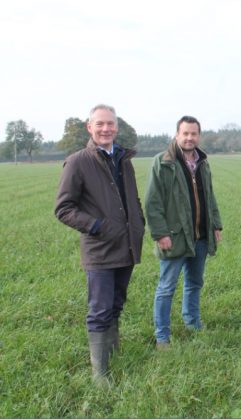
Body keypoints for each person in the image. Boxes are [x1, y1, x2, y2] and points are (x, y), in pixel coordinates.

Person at [55, 104, 145, 385]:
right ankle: (99, 374)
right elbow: (63, 208)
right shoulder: (78, 162)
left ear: (116, 127)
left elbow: (132, 199)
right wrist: (96, 226)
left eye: (111, 124)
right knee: (100, 310)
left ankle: (113, 352)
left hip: (127, 246)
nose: (106, 129)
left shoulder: (123, 159)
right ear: (89, 127)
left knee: (116, 305)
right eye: (100, 124)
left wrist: (138, 223)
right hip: (100, 250)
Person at [145, 115, 222, 350]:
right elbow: (152, 203)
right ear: (177, 134)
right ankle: (162, 337)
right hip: (174, 236)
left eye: (194, 134)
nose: (190, 138)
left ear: (199, 136)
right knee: (166, 287)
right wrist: (160, 234)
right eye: (185, 133)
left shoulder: (202, 162)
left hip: (200, 235)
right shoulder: (163, 162)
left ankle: (192, 323)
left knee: (194, 283)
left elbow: (210, 196)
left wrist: (215, 225)